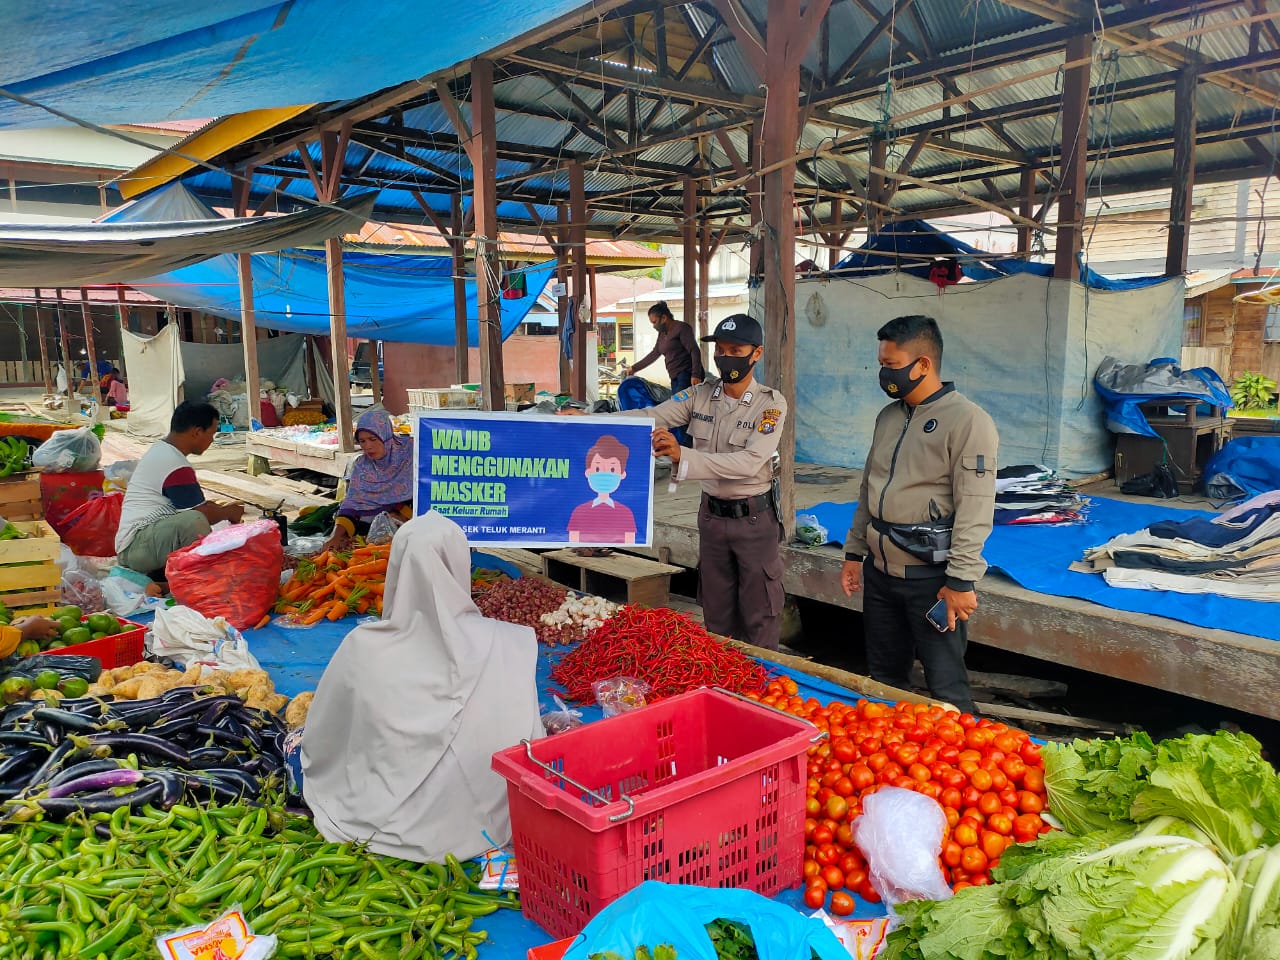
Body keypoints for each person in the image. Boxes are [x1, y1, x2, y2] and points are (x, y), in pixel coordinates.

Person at [300, 511, 542, 862]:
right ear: (460, 565)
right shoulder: (510, 643)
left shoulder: (362, 647)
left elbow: (325, 741)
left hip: (373, 821)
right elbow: (528, 743)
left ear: (396, 566)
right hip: (484, 821)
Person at [567, 313, 787, 649]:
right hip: (712, 519)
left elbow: (750, 462)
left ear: (756, 354)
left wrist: (683, 456)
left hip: (754, 521)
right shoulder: (698, 394)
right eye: (721, 350)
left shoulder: (770, 405)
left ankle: (759, 691)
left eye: (736, 350)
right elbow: (652, 416)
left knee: (760, 614)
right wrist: (589, 419)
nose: (726, 357)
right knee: (716, 611)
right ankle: (721, 687)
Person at [840, 315, 998, 714]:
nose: (884, 373)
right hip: (880, 575)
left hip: (931, 581)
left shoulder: (968, 421)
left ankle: (963, 765)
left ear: (923, 364)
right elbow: (868, 489)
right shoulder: (888, 417)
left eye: (892, 366)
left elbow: (976, 505)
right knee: (884, 683)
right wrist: (854, 553)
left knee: (947, 687)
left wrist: (961, 580)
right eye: (881, 364)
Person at [115, 401, 245, 577]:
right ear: (197, 432)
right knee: (194, 520)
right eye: (211, 434)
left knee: (206, 511)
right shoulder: (174, 464)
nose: (212, 440)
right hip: (135, 548)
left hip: (140, 543)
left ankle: (170, 575)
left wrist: (219, 510)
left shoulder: (163, 451)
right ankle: (200, 579)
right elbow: (200, 514)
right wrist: (228, 512)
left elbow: (199, 506)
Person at [325, 410, 414, 550]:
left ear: (386, 436)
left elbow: (424, 496)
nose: (367, 446)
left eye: (373, 439)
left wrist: (399, 513)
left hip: (408, 529)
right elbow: (352, 505)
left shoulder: (410, 455)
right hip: (371, 535)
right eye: (362, 441)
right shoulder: (362, 466)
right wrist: (335, 536)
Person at [568, 435, 637, 545]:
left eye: (612, 469)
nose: (605, 474)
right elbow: (572, 544)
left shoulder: (626, 513)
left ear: (622, 474)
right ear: (588, 472)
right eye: (598, 468)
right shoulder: (579, 511)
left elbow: (631, 544)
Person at [626, 301, 705, 394]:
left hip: (686, 374)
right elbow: (654, 354)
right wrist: (634, 368)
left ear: (663, 318)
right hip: (674, 376)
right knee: (676, 405)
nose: (654, 326)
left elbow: (694, 350)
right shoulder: (662, 334)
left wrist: (696, 374)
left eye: (654, 322)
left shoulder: (681, 328)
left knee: (680, 405)